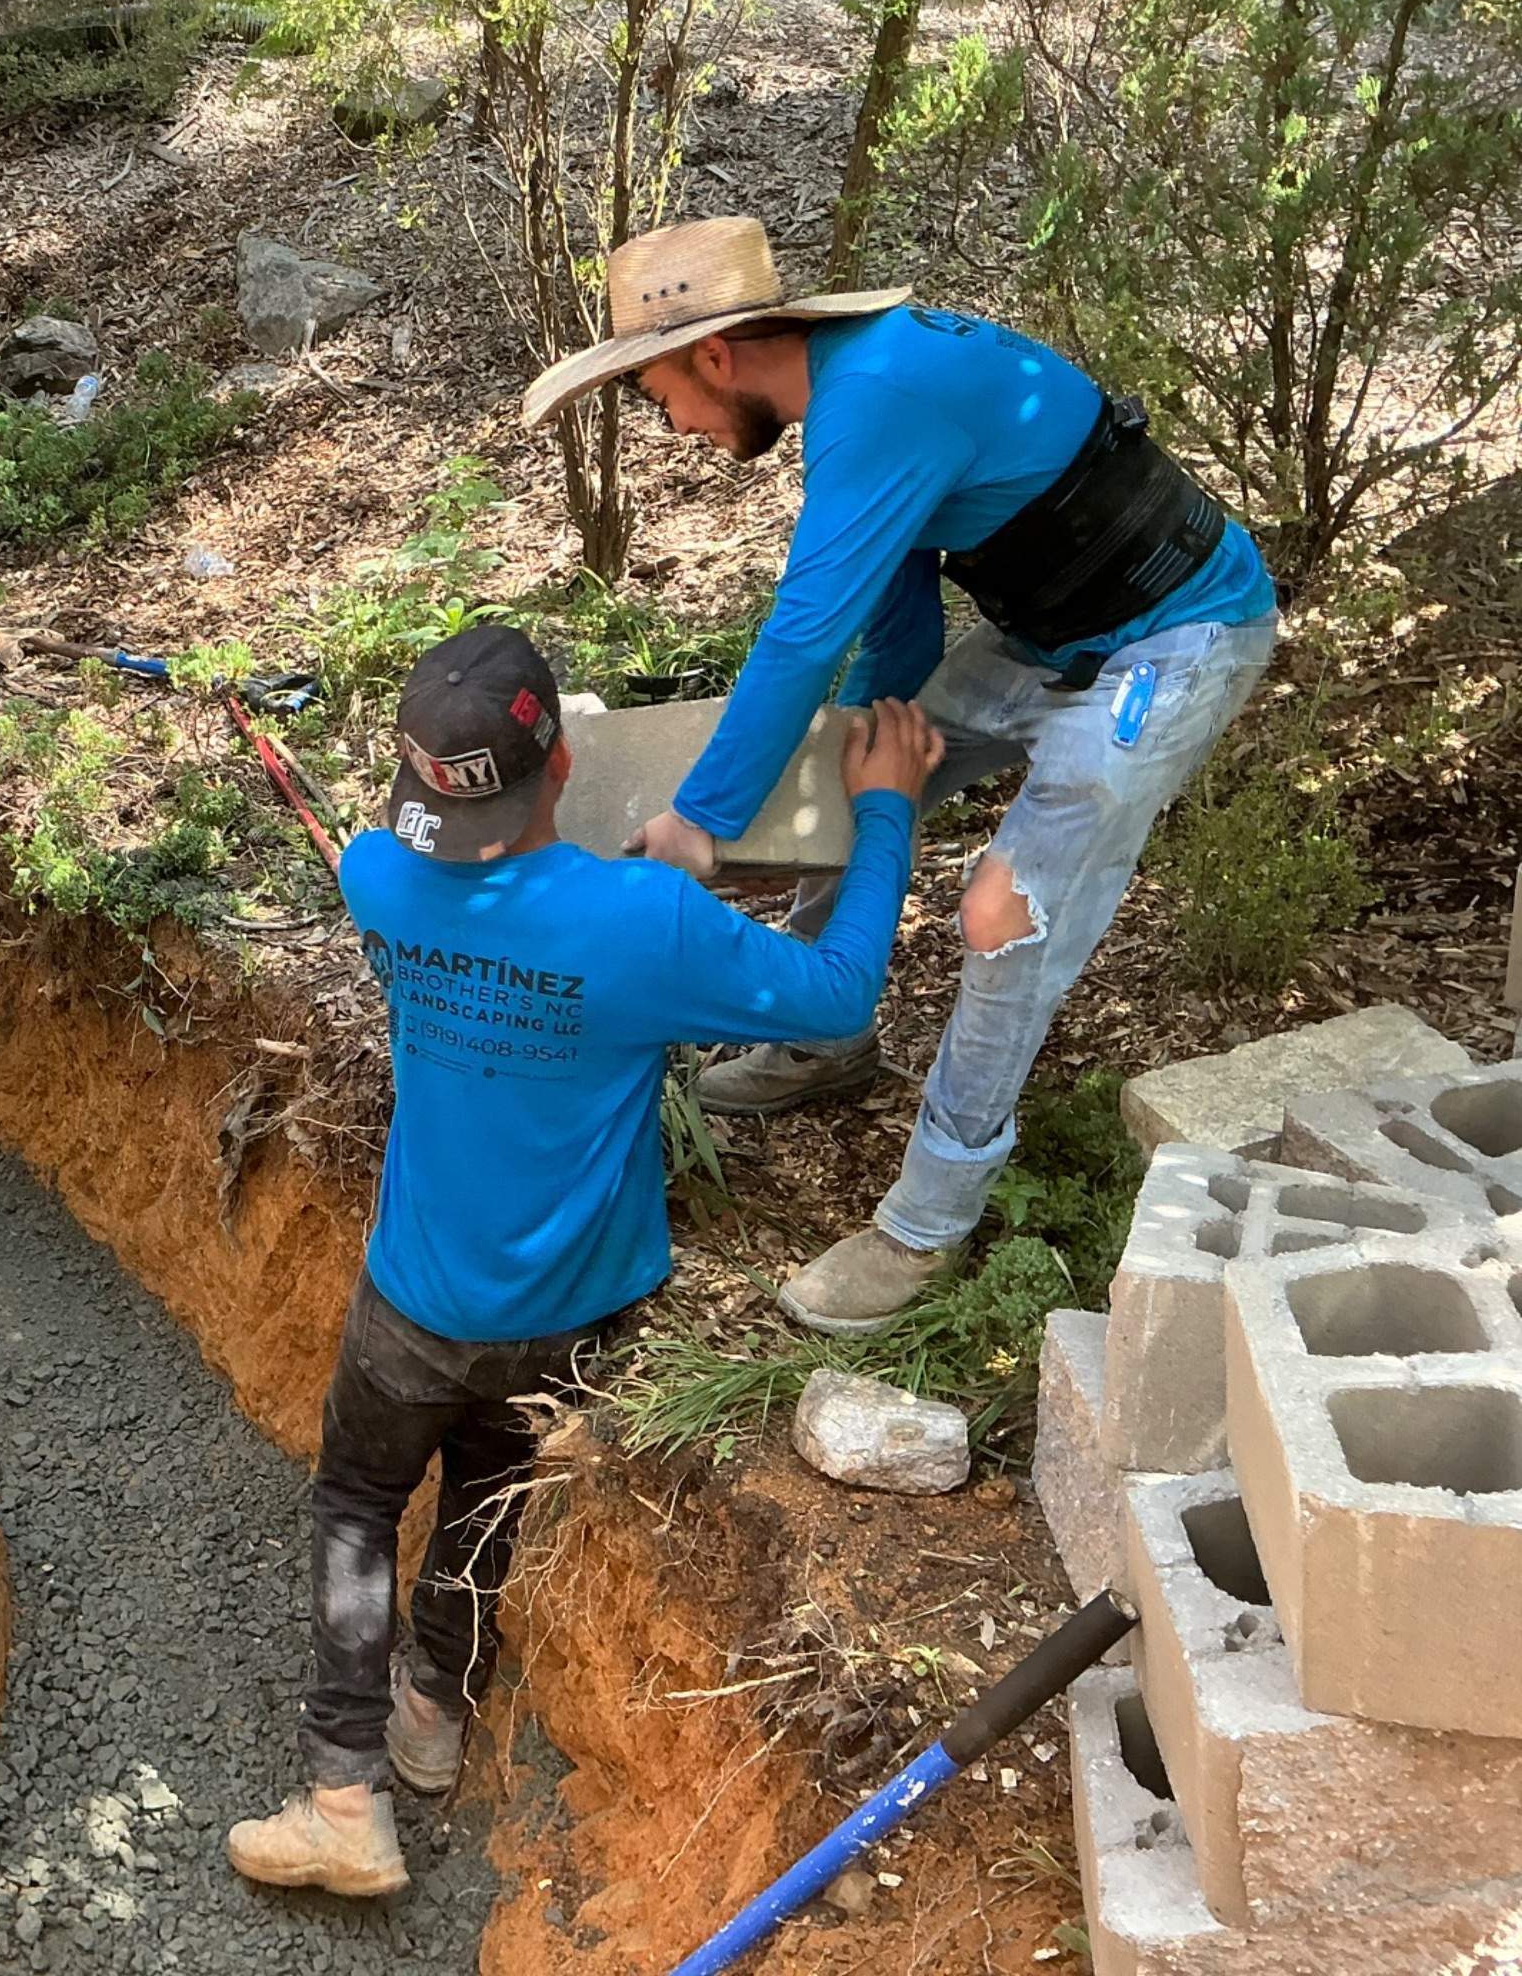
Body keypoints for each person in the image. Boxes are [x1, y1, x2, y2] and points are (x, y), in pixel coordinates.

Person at [225, 623, 941, 1898]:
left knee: (356, 1504)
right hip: (569, 1313)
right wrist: (882, 810)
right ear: (558, 768)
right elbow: (837, 997)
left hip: (415, 1301)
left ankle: (346, 1796)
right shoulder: (643, 926)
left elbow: (457, 885)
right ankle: (434, 1716)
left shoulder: (380, 882)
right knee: (488, 1491)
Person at [520, 217, 1277, 1334]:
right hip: (1050, 637)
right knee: (851, 759)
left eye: (658, 394)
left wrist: (701, 819)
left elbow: (799, 633)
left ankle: (925, 1228)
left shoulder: (876, 396)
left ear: (717, 356)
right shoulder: (856, 384)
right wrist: (885, 731)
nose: (673, 424)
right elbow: (895, 596)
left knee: (1002, 916)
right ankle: (828, 1039)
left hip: (1176, 645)